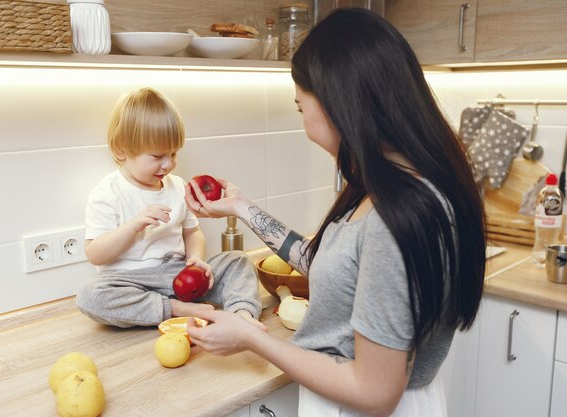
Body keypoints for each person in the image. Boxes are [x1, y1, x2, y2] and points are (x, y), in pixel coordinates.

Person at [184, 8, 486, 417]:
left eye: (300, 107)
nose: (304, 123)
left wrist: (253, 339)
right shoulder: (403, 185)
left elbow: (374, 393)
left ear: (338, 104)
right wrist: (241, 206)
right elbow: (334, 266)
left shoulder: (395, 221)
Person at [75, 87, 263, 329]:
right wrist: (134, 225)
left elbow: (192, 232)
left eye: (173, 153)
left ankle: (243, 316)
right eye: (156, 156)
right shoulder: (108, 192)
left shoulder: (177, 186)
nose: (168, 164)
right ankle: (174, 309)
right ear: (121, 150)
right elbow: (95, 254)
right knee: (90, 295)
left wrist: (195, 258)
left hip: (178, 273)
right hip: (131, 282)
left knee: (238, 260)